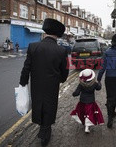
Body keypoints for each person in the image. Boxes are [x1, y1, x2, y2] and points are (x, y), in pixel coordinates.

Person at [19, 18, 69, 146]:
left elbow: (26, 68)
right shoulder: (61, 51)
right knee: (50, 107)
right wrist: (60, 80)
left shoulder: (33, 47)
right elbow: (65, 72)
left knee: (38, 105)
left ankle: (43, 129)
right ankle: (45, 132)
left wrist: (23, 83)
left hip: (36, 85)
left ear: (45, 32)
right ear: (57, 34)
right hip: (52, 85)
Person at [70, 69, 104, 133]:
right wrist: (99, 82)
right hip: (91, 101)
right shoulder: (94, 83)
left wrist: (73, 94)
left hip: (82, 101)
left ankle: (85, 124)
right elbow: (99, 88)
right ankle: (87, 127)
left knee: (83, 113)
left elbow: (76, 93)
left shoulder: (81, 84)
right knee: (89, 114)